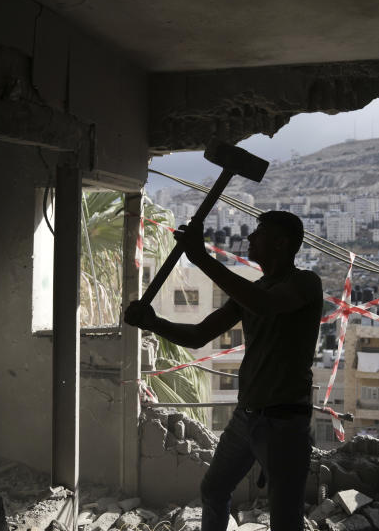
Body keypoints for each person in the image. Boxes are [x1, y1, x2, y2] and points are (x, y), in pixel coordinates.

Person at [125, 210, 323, 531]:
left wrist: (201, 258)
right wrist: (151, 322)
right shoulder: (253, 290)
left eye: (259, 233)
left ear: (280, 243)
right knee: (213, 489)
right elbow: (198, 335)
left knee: (285, 518)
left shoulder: (304, 283)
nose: (250, 237)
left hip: (284, 422)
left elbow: (264, 304)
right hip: (247, 417)